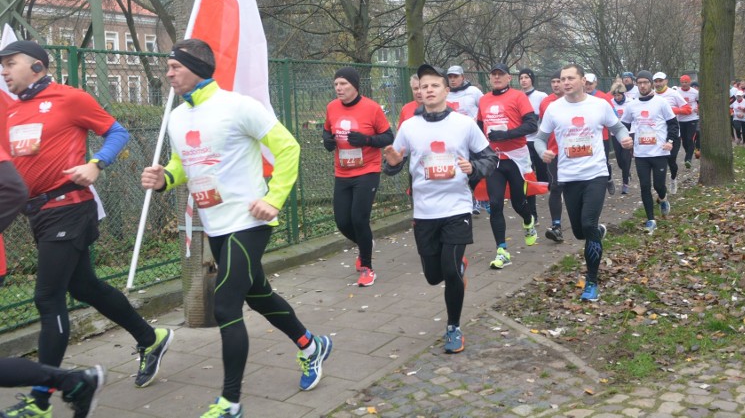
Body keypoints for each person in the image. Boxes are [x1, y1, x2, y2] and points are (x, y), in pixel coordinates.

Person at [141, 39, 332, 417]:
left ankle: (230, 402)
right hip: (215, 225)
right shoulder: (178, 118)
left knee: (226, 304)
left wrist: (275, 198)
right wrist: (165, 177)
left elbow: (288, 148)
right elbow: (184, 164)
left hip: (250, 220)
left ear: (195, 66)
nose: (168, 74)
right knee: (258, 294)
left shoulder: (238, 106)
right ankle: (312, 345)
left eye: (174, 67)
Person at [0, 40, 173, 417]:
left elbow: (117, 132)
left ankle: (42, 399)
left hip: (70, 208)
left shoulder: (70, 98)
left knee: (48, 298)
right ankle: (151, 336)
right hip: (38, 214)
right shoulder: (10, 110)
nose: (4, 70)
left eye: (11, 63)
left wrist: (97, 163)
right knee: (84, 286)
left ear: (37, 66)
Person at [383, 64, 497, 353]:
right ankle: (456, 268)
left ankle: (453, 327)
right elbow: (393, 163)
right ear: (418, 93)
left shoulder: (464, 124)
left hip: (457, 207)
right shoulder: (409, 126)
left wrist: (474, 168)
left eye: (434, 85)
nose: (428, 91)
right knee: (434, 276)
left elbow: (489, 158)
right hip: (424, 211)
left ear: (447, 90)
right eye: (423, 87)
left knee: (450, 270)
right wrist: (393, 163)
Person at [535, 64, 632, 301]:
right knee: (580, 232)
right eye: (562, 78)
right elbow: (540, 138)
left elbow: (616, 126)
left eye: (570, 78)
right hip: (568, 176)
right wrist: (542, 152)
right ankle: (597, 231)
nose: (565, 82)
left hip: (595, 174)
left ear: (582, 80)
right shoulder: (554, 109)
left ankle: (592, 280)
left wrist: (624, 138)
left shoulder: (599, 104)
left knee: (588, 223)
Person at [323, 67, 393, 287]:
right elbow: (327, 130)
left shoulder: (372, 108)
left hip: (367, 171)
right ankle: (366, 244)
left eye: (343, 84)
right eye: (336, 84)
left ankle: (367, 267)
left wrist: (366, 140)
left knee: (359, 218)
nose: (339, 88)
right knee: (342, 221)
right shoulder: (332, 107)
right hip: (342, 171)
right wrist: (327, 140)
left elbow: (388, 136)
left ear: (355, 85)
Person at [477, 63, 537, 269]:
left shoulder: (518, 97)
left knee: (519, 203)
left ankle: (528, 221)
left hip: (516, 158)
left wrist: (506, 134)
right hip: (494, 159)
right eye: (493, 75)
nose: (496, 78)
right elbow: (478, 127)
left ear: (508, 78)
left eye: (500, 75)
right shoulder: (483, 100)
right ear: (489, 78)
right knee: (495, 204)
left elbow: (531, 125)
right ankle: (502, 250)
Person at [620, 70, 678, 234]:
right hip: (641, 153)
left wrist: (670, 141)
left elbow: (673, 124)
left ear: (651, 84)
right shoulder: (632, 105)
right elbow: (623, 125)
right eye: (640, 83)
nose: (643, 85)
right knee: (645, 186)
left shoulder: (661, 103)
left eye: (645, 82)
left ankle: (663, 197)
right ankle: (650, 219)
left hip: (659, 152)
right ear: (636, 84)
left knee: (659, 185)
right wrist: (626, 139)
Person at [447, 65, 487, 214]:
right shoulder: (445, 94)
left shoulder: (474, 92)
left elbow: (484, 108)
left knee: (474, 168)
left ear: (462, 77)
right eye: (450, 77)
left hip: (472, 137)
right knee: (458, 170)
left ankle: (479, 198)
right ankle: (465, 200)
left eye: (455, 77)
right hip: (454, 139)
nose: (452, 80)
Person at [518, 68, 548, 224]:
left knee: (542, 171)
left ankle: (548, 190)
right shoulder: (516, 96)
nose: (523, 80)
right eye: (521, 78)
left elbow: (545, 117)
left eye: (526, 77)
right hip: (522, 141)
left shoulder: (541, 96)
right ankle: (532, 213)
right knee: (527, 175)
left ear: (532, 80)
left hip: (537, 139)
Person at [652, 72, 689, 194]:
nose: (658, 83)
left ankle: (673, 178)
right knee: (659, 161)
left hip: (673, 133)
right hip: (657, 135)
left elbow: (688, 109)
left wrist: (672, 110)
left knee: (671, 159)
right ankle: (661, 188)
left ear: (666, 81)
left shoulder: (673, 94)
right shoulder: (651, 95)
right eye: (656, 81)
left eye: (660, 81)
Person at [540, 72, 565, 241]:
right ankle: (556, 226)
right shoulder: (545, 103)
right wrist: (543, 148)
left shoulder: (576, 101)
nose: (556, 85)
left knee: (572, 189)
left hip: (574, 153)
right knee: (555, 187)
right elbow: (543, 131)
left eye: (559, 81)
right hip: (553, 152)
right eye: (553, 81)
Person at [584, 73, 616, 195]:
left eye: (590, 84)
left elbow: (614, 115)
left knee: (604, 160)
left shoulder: (603, 97)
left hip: (602, 136)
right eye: (586, 83)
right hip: (585, 137)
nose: (588, 86)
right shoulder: (578, 97)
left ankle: (609, 179)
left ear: (596, 83)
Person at [609, 83, 634, 194]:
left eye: (619, 95)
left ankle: (625, 184)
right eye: (615, 95)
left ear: (623, 94)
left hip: (628, 133)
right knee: (619, 161)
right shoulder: (610, 103)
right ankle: (626, 172)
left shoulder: (630, 102)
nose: (617, 97)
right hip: (615, 134)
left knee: (625, 158)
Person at [677, 75, 700, 169]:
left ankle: (688, 159)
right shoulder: (677, 92)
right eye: (682, 82)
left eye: (686, 82)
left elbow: (699, 102)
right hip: (681, 119)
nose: (684, 84)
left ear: (689, 82)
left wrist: (698, 108)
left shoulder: (695, 92)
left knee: (690, 138)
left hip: (692, 118)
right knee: (684, 141)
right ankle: (690, 152)